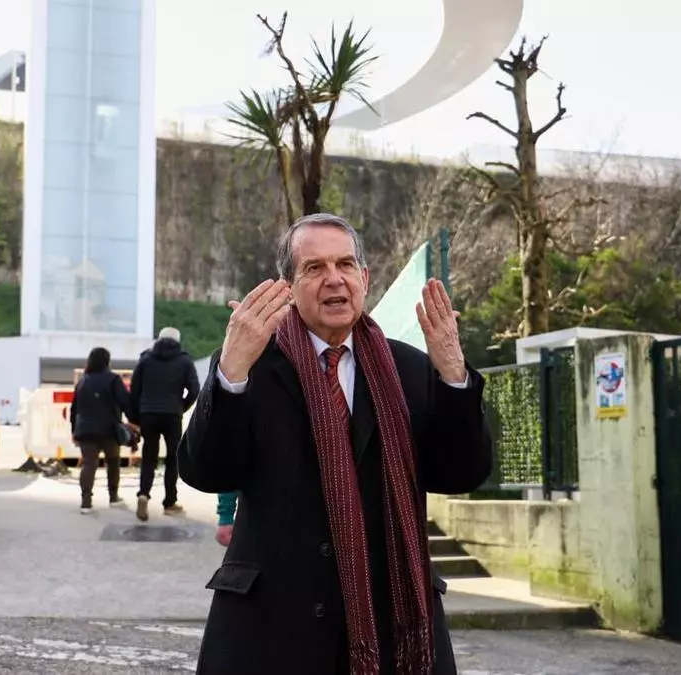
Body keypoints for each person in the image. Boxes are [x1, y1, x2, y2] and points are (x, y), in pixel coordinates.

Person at [179, 213, 492, 674]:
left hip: (390, 626)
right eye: (314, 268)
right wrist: (230, 373)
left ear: (364, 278)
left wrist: (453, 375)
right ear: (288, 286)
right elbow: (206, 470)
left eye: (345, 265)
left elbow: (460, 472)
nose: (334, 279)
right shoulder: (252, 364)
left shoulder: (408, 369)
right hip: (272, 631)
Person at [129, 326, 201, 521]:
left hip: (148, 414)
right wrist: (181, 407)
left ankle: (144, 494)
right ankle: (169, 502)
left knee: (149, 456)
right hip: (172, 415)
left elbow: (134, 390)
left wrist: (136, 416)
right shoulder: (184, 360)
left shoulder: (145, 359)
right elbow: (195, 389)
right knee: (172, 458)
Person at [70, 347, 137, 515]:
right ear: (107, 361)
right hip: (108, 429)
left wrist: (74, 431)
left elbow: (74, 410)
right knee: (113, 462)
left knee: (89, 464)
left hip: (85, 430)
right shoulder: (113, 379)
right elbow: (124, 401)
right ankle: (113, 497)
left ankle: (86, 503)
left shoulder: (82, 382)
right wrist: (134, 421)